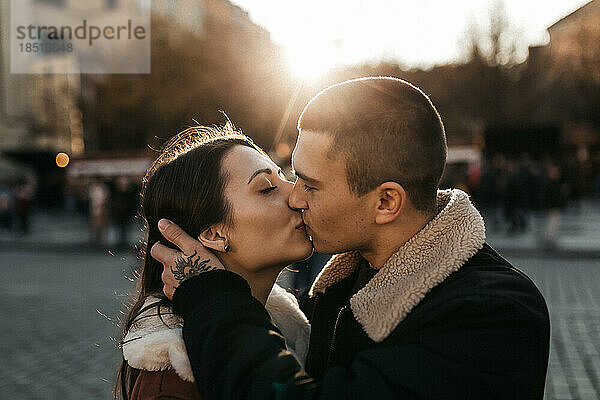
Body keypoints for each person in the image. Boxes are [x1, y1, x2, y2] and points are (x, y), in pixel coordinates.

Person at [152, 77, 551, 399]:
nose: (294, 195)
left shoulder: (492, 314)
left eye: (310, 184)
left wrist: (214, 299)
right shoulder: (342, 286)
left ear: (385, 202)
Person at [115, 125, 312, 399]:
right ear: (214, 234)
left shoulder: (294, 329)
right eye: (266, 188)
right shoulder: (173, 381)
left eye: (284, 177)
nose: (296, 194)